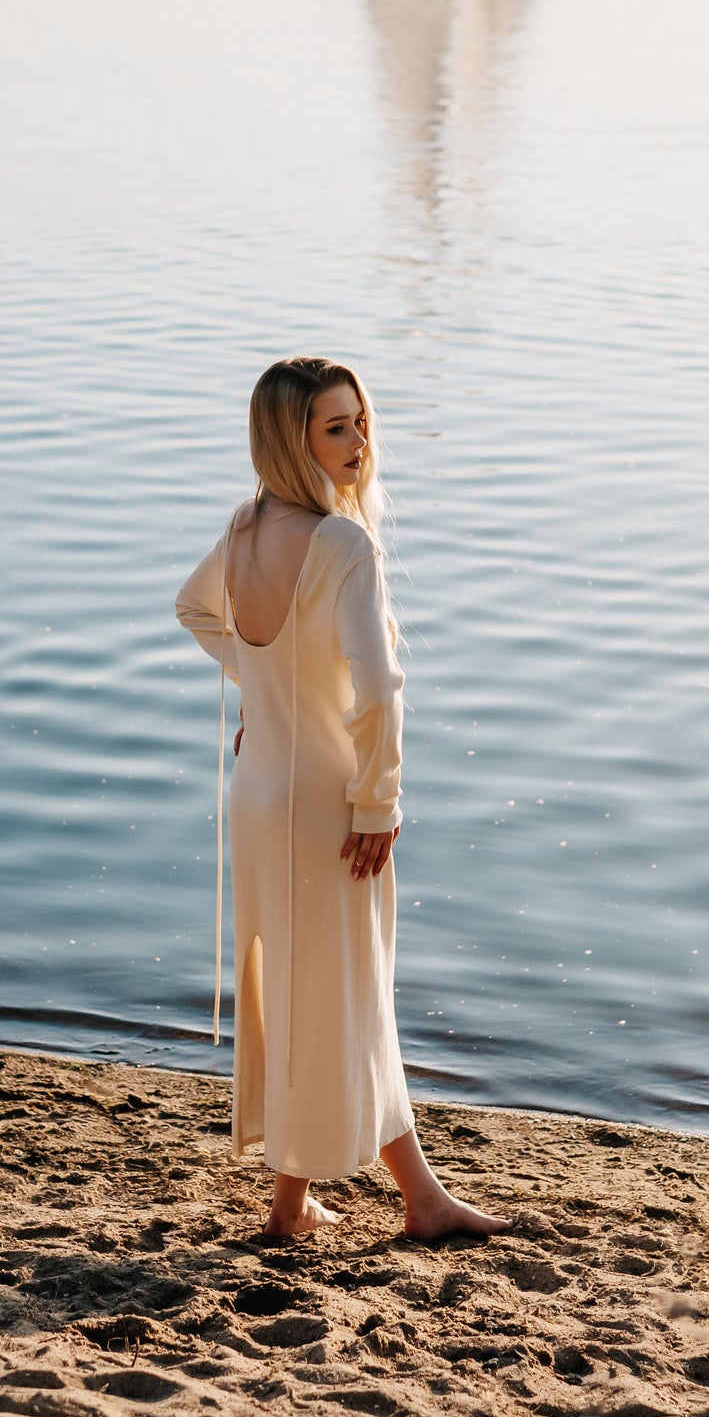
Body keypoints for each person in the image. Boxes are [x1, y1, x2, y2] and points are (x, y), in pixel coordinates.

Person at [176, 355, 510, 1241]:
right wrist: (377, 801)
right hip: (326, 802)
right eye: (336, 426)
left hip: (257, 793)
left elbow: (195, 611)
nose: (359, 440)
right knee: (343, 991)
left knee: (311, 991)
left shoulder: (247, 528)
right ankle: (403, 1199)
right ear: (293, 440)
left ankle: (337, 1200)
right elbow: (378, 688)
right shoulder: (342, 544)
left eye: (360, 420)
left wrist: (262, 690)